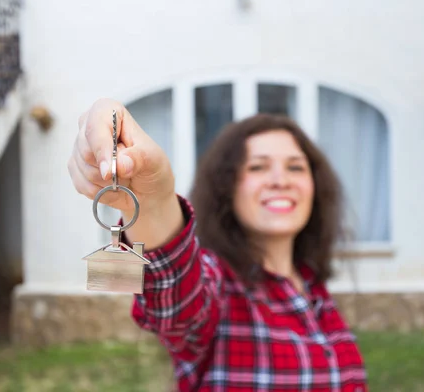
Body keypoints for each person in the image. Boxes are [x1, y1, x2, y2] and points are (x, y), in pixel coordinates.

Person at [68, 98, 368, 392]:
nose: (280, 180)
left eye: (295, 167)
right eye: (257, 167)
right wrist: (152, 200)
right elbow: (177, 298)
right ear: (227, 187)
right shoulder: (218, 285)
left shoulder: (313, 287)